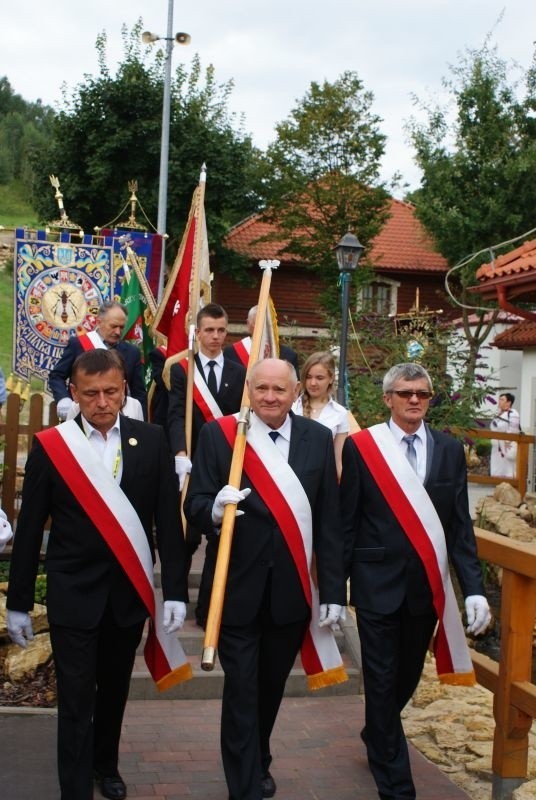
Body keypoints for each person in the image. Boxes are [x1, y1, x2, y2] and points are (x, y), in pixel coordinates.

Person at [7, 348, 189, 800]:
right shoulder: (54, 446)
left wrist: (176, 592)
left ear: (124, 389)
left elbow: (168, 520)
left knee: (113, 691)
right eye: (91, 394)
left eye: (111, 391)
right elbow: (30, 528)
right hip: (74, 593)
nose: (102, 402)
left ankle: (105, 765)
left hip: (127, 593)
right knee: (74, 698)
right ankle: (74, 788)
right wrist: (18, 602)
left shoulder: (150, 440)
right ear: (73, 393)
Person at [184, 358, 347, 800]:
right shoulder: (220, 435)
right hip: (234, 588)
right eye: (262, 389)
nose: (270, 397)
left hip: (291, 590)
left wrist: (333, 589)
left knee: (270, 686)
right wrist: (214, 509)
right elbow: (194, 503)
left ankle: (259, 758)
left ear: (297, 393)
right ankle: (243, 785)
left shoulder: (317, 438)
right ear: (249, 392)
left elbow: (329, 521)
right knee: (241, 687)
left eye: (280, 389)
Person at [341, 362, 491, 800]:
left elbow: (459, 526)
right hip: (375, 583)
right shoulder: (363, 447)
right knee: (382, 680)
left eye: (422, 394)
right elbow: (347, 521)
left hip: (425, 586)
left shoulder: (447, 450)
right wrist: (334, 591)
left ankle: (376, 733)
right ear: (388, 398)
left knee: (405, 677)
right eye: (405, 393)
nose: (414, 400)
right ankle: (397, 786)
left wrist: (475, 588)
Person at [168, 302, 246, 626]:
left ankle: (207, 610)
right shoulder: (182, 368)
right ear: (197, 332)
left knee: (219, 535)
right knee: (185, 536)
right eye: (209, 330)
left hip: (222, 463)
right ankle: (177, 598)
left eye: (221, 330)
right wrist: (180, 452)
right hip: (191, 459)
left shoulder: (239, 371)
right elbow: (175, 414)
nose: (215, 337)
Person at [49, 300, 148, 420]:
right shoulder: (78, 344)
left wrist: (141, 422)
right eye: (113, 326)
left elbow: (139, 393)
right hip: (82, 415)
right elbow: (56, 376)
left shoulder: (132, 352)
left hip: (120, 418)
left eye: (121, 327)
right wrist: (63, 399)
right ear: (99, 322)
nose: (118, 332)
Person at [292, 351, 349, 478]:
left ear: (331, 378)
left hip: (323, 480)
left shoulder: (340, 413)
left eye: (319, 378)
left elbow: (337, 461)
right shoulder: (291, 407)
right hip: (291, 478)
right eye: (308, 376)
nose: (313, 383)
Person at [224, 305, 300, 377]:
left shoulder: (289, 356)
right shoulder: (232, 353)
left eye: (267, 323)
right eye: (259, 322)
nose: (264, 327)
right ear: (248, 324)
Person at [490, 392, 521, 478]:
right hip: (497, 447)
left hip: (506, 447)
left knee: (508, 469)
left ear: (509, 402)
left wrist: (507, 441)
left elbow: (513, 429)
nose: (499, 401)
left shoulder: (513, 413)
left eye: (502, 399)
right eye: (499, 399)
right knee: (498, 469)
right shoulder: (498, 413)